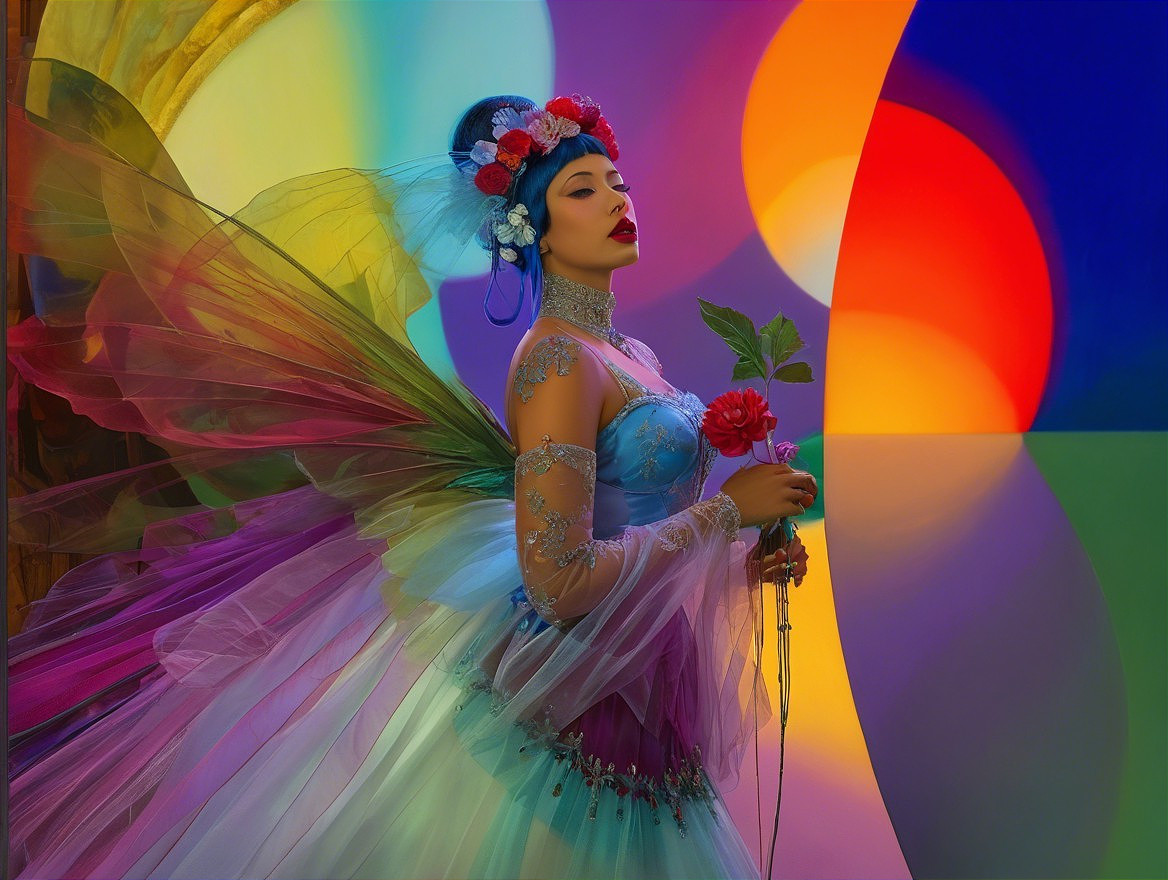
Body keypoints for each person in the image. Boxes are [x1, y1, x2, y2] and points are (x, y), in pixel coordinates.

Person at [6, 62, 815, 879]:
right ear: (528, 226)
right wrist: (722, 515)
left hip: (638, 671)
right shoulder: (559, 363)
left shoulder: (629, 355)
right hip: (565, 686)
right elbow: (559, 580)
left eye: (617, 182)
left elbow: (633, 525)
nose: (616, 201)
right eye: (580, 190)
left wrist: (744, 553)